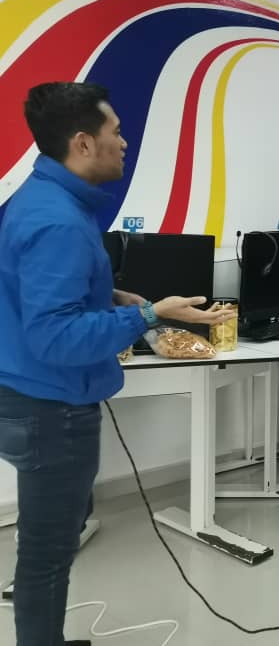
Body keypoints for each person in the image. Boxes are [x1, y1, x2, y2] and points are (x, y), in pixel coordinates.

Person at [0, 82, 234, 646]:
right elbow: (55, 336)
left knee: (50, 545)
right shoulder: (58, 221)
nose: (125, 143)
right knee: (47, 556)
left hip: (34, 396)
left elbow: (36, 293)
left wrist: (109, 297)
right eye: (117, 132)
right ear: (83, 143)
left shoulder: (43, 200)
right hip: (50, 407)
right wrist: (149, 314)